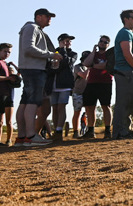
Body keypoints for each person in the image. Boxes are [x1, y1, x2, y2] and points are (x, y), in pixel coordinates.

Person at [15, 8, 60, 147]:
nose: (49, 19)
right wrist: (51, 55)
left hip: (31, 68)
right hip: (34, 69)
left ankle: (22, 137)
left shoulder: (32, 28)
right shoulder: (32, 27)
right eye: (47, 16)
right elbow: (28, 48)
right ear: (38, 17)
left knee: (25, 101)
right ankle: (31, 135)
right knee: (33, 102)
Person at [112, 9, 133, 140]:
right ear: (126, 19)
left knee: (130, 103)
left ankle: (125, 130)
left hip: (131, 73)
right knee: (122, 104)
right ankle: (119, 132)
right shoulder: (124, 33)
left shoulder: (130, 34)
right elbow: (127, 54)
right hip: (125, 73)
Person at [47, 34, 78, 143]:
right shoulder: (53, 52)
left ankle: (59, 130)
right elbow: (49, 67)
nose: (68, 42)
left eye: (70, 41)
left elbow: (67, 62)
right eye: (66, 41)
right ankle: (56, 131)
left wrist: (62, 49)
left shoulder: (73, 54)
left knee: (61, 107)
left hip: (64, 84)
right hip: (53, 84)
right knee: (54, 108)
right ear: (60, 41)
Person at [82, 35, 113, 139]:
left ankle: (108, 130)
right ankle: (90, 130)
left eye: (105, 42)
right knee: (90, 107)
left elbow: (103, 66)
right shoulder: (94, 54)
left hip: (105, 82)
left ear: (108, 45)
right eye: (101, 41)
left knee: (105, 106)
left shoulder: (109, 55)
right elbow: (86, 63)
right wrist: (93, 51)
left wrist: (93, 66)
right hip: (92, 82)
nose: (102, 43)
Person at [70, 51, 90, 139]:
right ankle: (75, 132)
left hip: (88, 92)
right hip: (78, 92)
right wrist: (90, 67)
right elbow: (83, 75)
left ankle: (89, 131)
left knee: (89, 112)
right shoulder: (77, 67)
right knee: (77, 112)